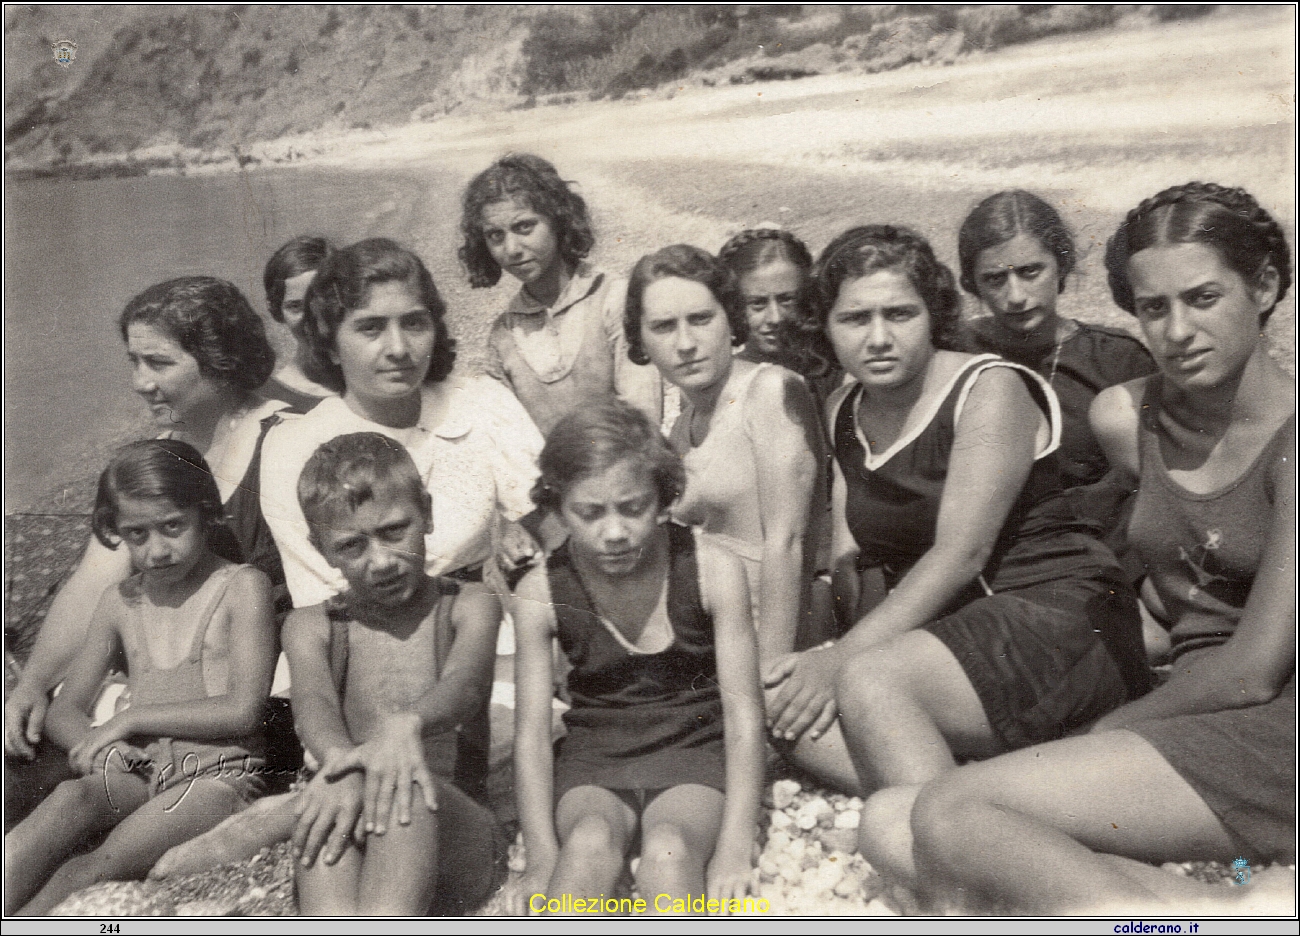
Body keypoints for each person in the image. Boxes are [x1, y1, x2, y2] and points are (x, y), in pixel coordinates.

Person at [908, 183, 1296, 915]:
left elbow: (1252, 671)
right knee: (894, 827)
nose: (1177, 329)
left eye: (1203, 298)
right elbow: (1181, 569)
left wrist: (1100, 733)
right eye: (1154, 308)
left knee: (953, 817)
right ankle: (1217, 915)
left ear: (1266, 285)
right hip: (1191, 710)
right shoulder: (1130, 417)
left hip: (1272, 730)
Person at [764, 224, 1149, 837]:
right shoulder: (843, 409)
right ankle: (1001, 800)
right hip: (953, 635)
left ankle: (961, 846)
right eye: (855, 319)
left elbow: (961, 553)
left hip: (1059, 615)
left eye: (900, 314)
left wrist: (840, 658)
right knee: (780, 708)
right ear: (825, 327)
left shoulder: (988, 386)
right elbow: (853, 552)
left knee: (868, 682)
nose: (880, 337)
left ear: (934, 314)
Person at [259, 237, 542, 800]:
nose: (399, 348)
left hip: (479, 647)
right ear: (330, 344)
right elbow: (328, 610)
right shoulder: (294, 447)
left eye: (415, 323)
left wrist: (522, 535)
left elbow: (548, 526)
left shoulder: (479, 403)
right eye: (370, 328)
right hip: (364, 668)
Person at [5, 277, 291, 796]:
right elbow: (93, 581)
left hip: (245, 702)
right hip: (160, 679)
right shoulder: (161, 451)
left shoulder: (282, 442)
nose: (139, 382)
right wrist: (32, 683)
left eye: (158, 363)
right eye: (134, 362)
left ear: (221, 360)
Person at [510, 400, 764, 915]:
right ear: (557, 507)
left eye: (632, 507)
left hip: (692, 750)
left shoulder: (713, 569)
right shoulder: (540, 590)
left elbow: (743, 715)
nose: (614, 532)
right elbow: (533, 734)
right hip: (596, 756)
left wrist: (736, 845)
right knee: (586, 845)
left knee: (669, 854)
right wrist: (540, 852)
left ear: (664, 497)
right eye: (589, 512)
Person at [5, 440, 276, 915]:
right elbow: (65, 709)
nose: (157, 550)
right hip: (142, 767)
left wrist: (130, 719)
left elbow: (244, 709)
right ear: (116, 533)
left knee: (86, 869)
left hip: (216, 776)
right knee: (72, 797)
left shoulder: (240, 587)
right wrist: (98, 745)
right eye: (137, 534)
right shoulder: (120, 600)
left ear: (206, 512)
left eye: (173, 527)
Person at [283, 433, 501, 915]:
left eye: (394, 531)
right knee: (326, 813)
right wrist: (343, 766)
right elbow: (314, 708)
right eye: (352, 546)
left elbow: (464, 688)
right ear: (321, 548)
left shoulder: (468, 606)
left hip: (456, 827)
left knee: (402, 785)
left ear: (426, 511)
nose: (380, 561)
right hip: (355, 805)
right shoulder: (311, 628)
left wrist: (403, 726)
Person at [625, 244, 825, 662]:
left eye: (701, 319)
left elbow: (787, 544)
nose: (685, 343)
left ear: (731, 322)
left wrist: (771, 672)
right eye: (663, 327)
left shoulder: (769, 391)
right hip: (707, 644)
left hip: (770, 645)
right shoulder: (681, 428)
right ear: (640, 340)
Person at [958, 190, 1157, 491]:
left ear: (1062, 265)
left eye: (1030, 272)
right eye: (995, 279)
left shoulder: (1116, 359)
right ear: (972, 283)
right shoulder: (953, 352)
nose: (1016, 296)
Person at [460, 153, 663, 437]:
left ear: (558, 219)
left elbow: (645, 420)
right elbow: (509, 441)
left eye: (524, 227)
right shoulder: (503, 336)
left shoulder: (614, 298)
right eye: (496, 235)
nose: (512, 248)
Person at [718, 227, 843, 411]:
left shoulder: (832, 373)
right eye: (757, 303)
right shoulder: (718, 381)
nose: (775, 318)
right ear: (733, 305)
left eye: (787, 300)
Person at [262, 235, 335, 412]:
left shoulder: (381, 381)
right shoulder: (267, 400)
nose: (313, 318)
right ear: (277, 312)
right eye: (295, 306)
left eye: (322, 303)